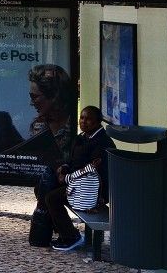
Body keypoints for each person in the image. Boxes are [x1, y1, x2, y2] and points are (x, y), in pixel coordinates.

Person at [35, 105, 114, 252]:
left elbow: (90, 171)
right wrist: (63, 168)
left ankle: (71, 237)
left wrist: (66, 179)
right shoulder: (82, 137)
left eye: (88, 119)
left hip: (93, 190)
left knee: (52, 198)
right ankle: (63, 229)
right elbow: (73, 161)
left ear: (98, 122)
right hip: (78, 182)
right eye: (82, 118)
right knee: (41, 188)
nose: (83, 121)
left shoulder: (102, 142)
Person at [28, 63, 76, 156]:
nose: (31, 103)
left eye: (34, 97)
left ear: (54, 96)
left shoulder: (76, 127)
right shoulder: (37, 125)